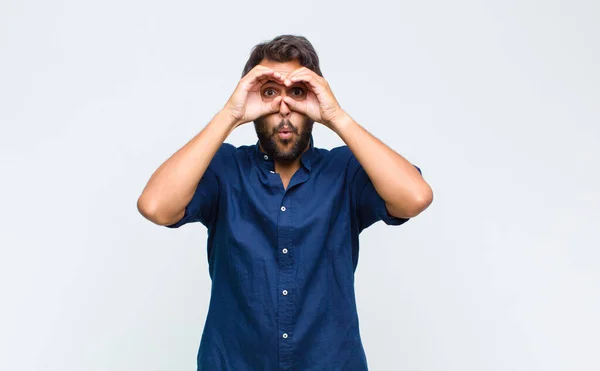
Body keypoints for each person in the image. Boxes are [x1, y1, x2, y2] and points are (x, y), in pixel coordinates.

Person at [137, 34, 433, 371]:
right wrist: (230, 114)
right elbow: (155, 206)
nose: (284, 109)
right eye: (269, 92)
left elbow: (415, 197)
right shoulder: (224, 169)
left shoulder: (345, 171)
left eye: (297, 92)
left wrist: (336, 116)